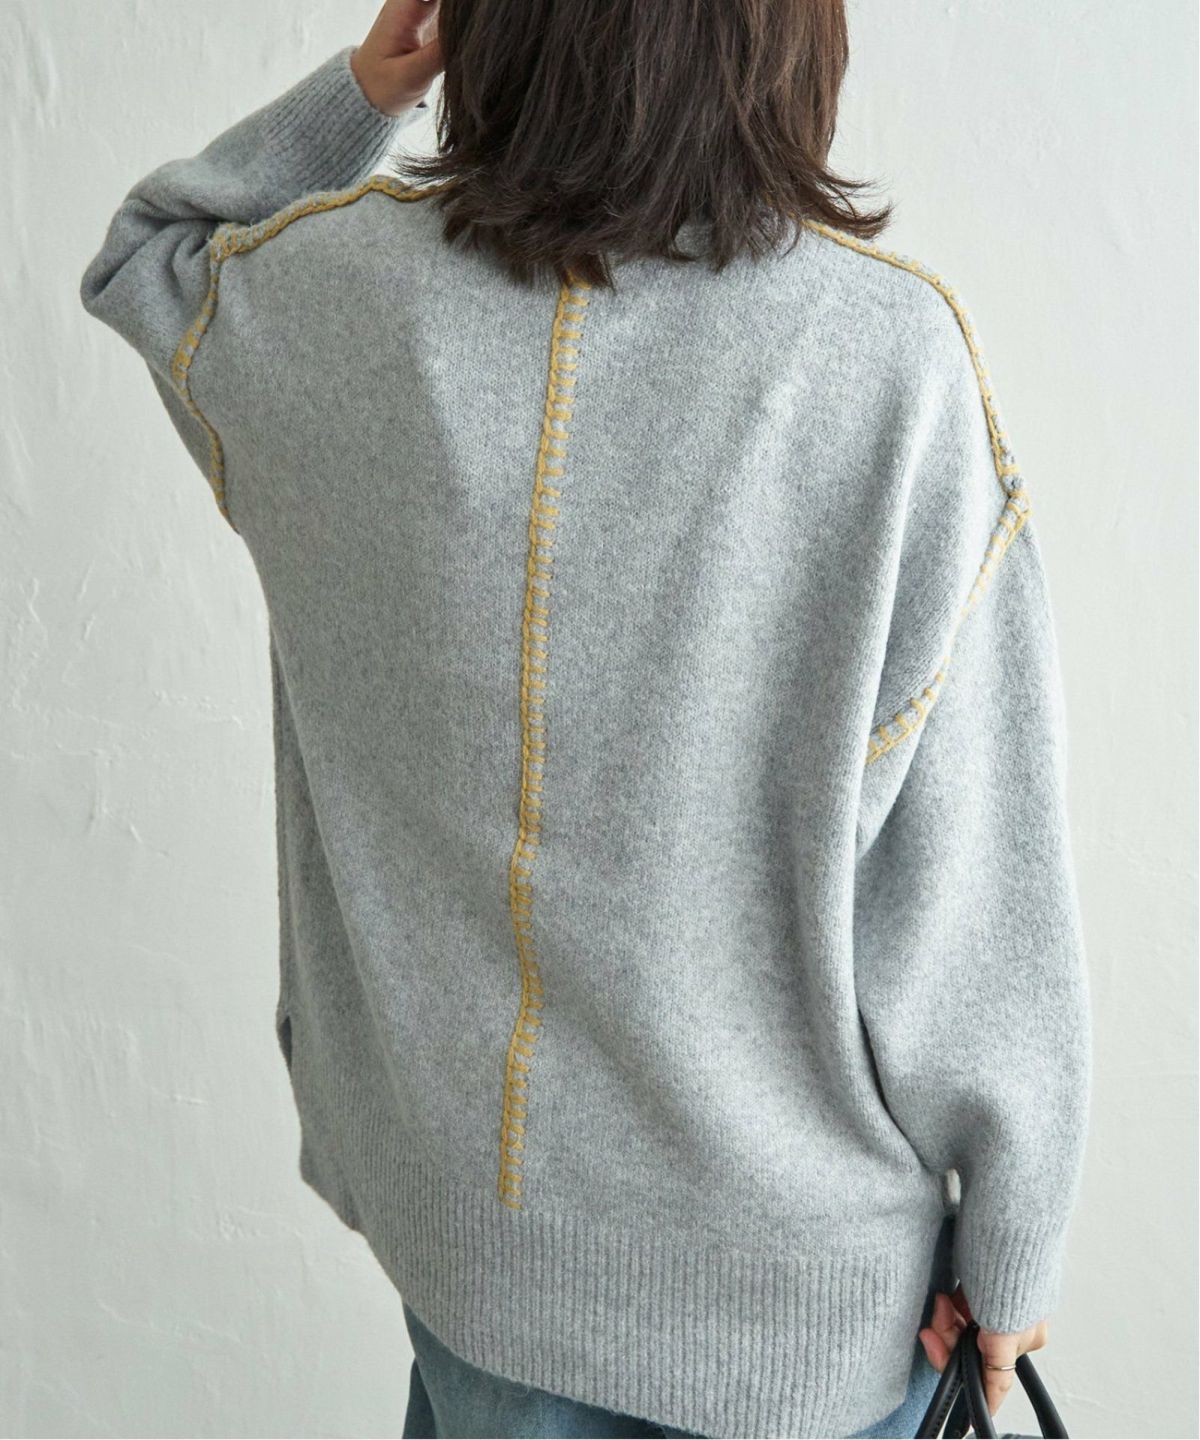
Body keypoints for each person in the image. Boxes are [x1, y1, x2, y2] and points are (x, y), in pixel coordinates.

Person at [79, 0, 1092, 1435]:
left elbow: (151, 252)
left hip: (473, 1283)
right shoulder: (883, 365)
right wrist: (1013, 1251)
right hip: (802, 1327)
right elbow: (975, 902)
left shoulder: (329, 301)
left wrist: (364, 92)